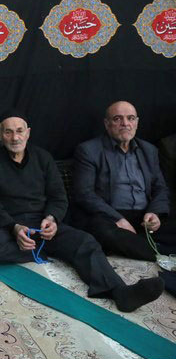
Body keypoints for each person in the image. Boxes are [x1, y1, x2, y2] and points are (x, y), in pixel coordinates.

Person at [0, 110, 163, 312]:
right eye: (8, 132)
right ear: (0, 135)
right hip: (10, 225)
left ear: (28, 133)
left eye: (20, 131)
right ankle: (45, 249)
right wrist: (14, 228)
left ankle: (120, 292)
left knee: (86, 242)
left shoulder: (43, 158)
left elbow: (58, 197)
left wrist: (52, 218)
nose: (15, 137)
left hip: (43, 223)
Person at [72, 101, 175, 260]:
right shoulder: (88, 150)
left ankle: (143, 246)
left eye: (130, 118)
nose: (125, 123)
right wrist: (118, 219)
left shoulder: (149, 150)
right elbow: (84, 193)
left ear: (137, 123)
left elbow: (160, 187)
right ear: (107, 124)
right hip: (109, 215)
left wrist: (154, 212)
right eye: (117, 119)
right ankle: (155, 252)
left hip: (144, 216)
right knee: (102, 231)